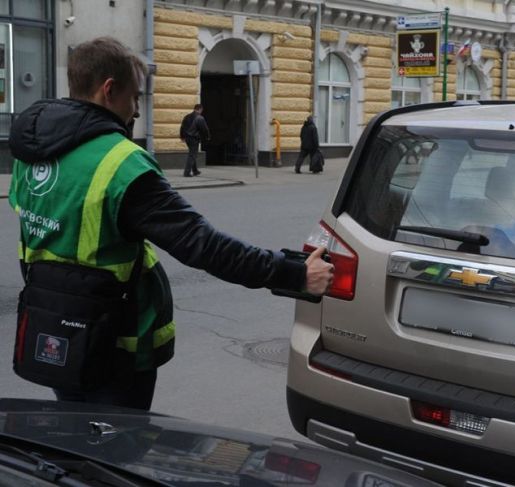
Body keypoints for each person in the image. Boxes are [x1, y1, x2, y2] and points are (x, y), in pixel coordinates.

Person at [8, 37, 334, 411]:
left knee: (71, 430)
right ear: (108, 91)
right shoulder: (121, 163)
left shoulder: (30, 154)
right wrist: (293, 274)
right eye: (135, 98)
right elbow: (203, 245)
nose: (135, 112)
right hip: (114, 343)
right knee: (115, 448)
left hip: (51, 327)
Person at [180, 103, 210, 177]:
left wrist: (182, 137)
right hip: (193, 138)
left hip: (187, 138)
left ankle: (195, 171)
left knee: (192, 154)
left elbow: (182, 127)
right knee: (192, 155)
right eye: (201, 110)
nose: (201, 111)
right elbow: (204, 129)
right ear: (200, 109)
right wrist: (208, 136)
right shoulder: (200, 118)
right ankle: (186, 172)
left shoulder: (187, 116)